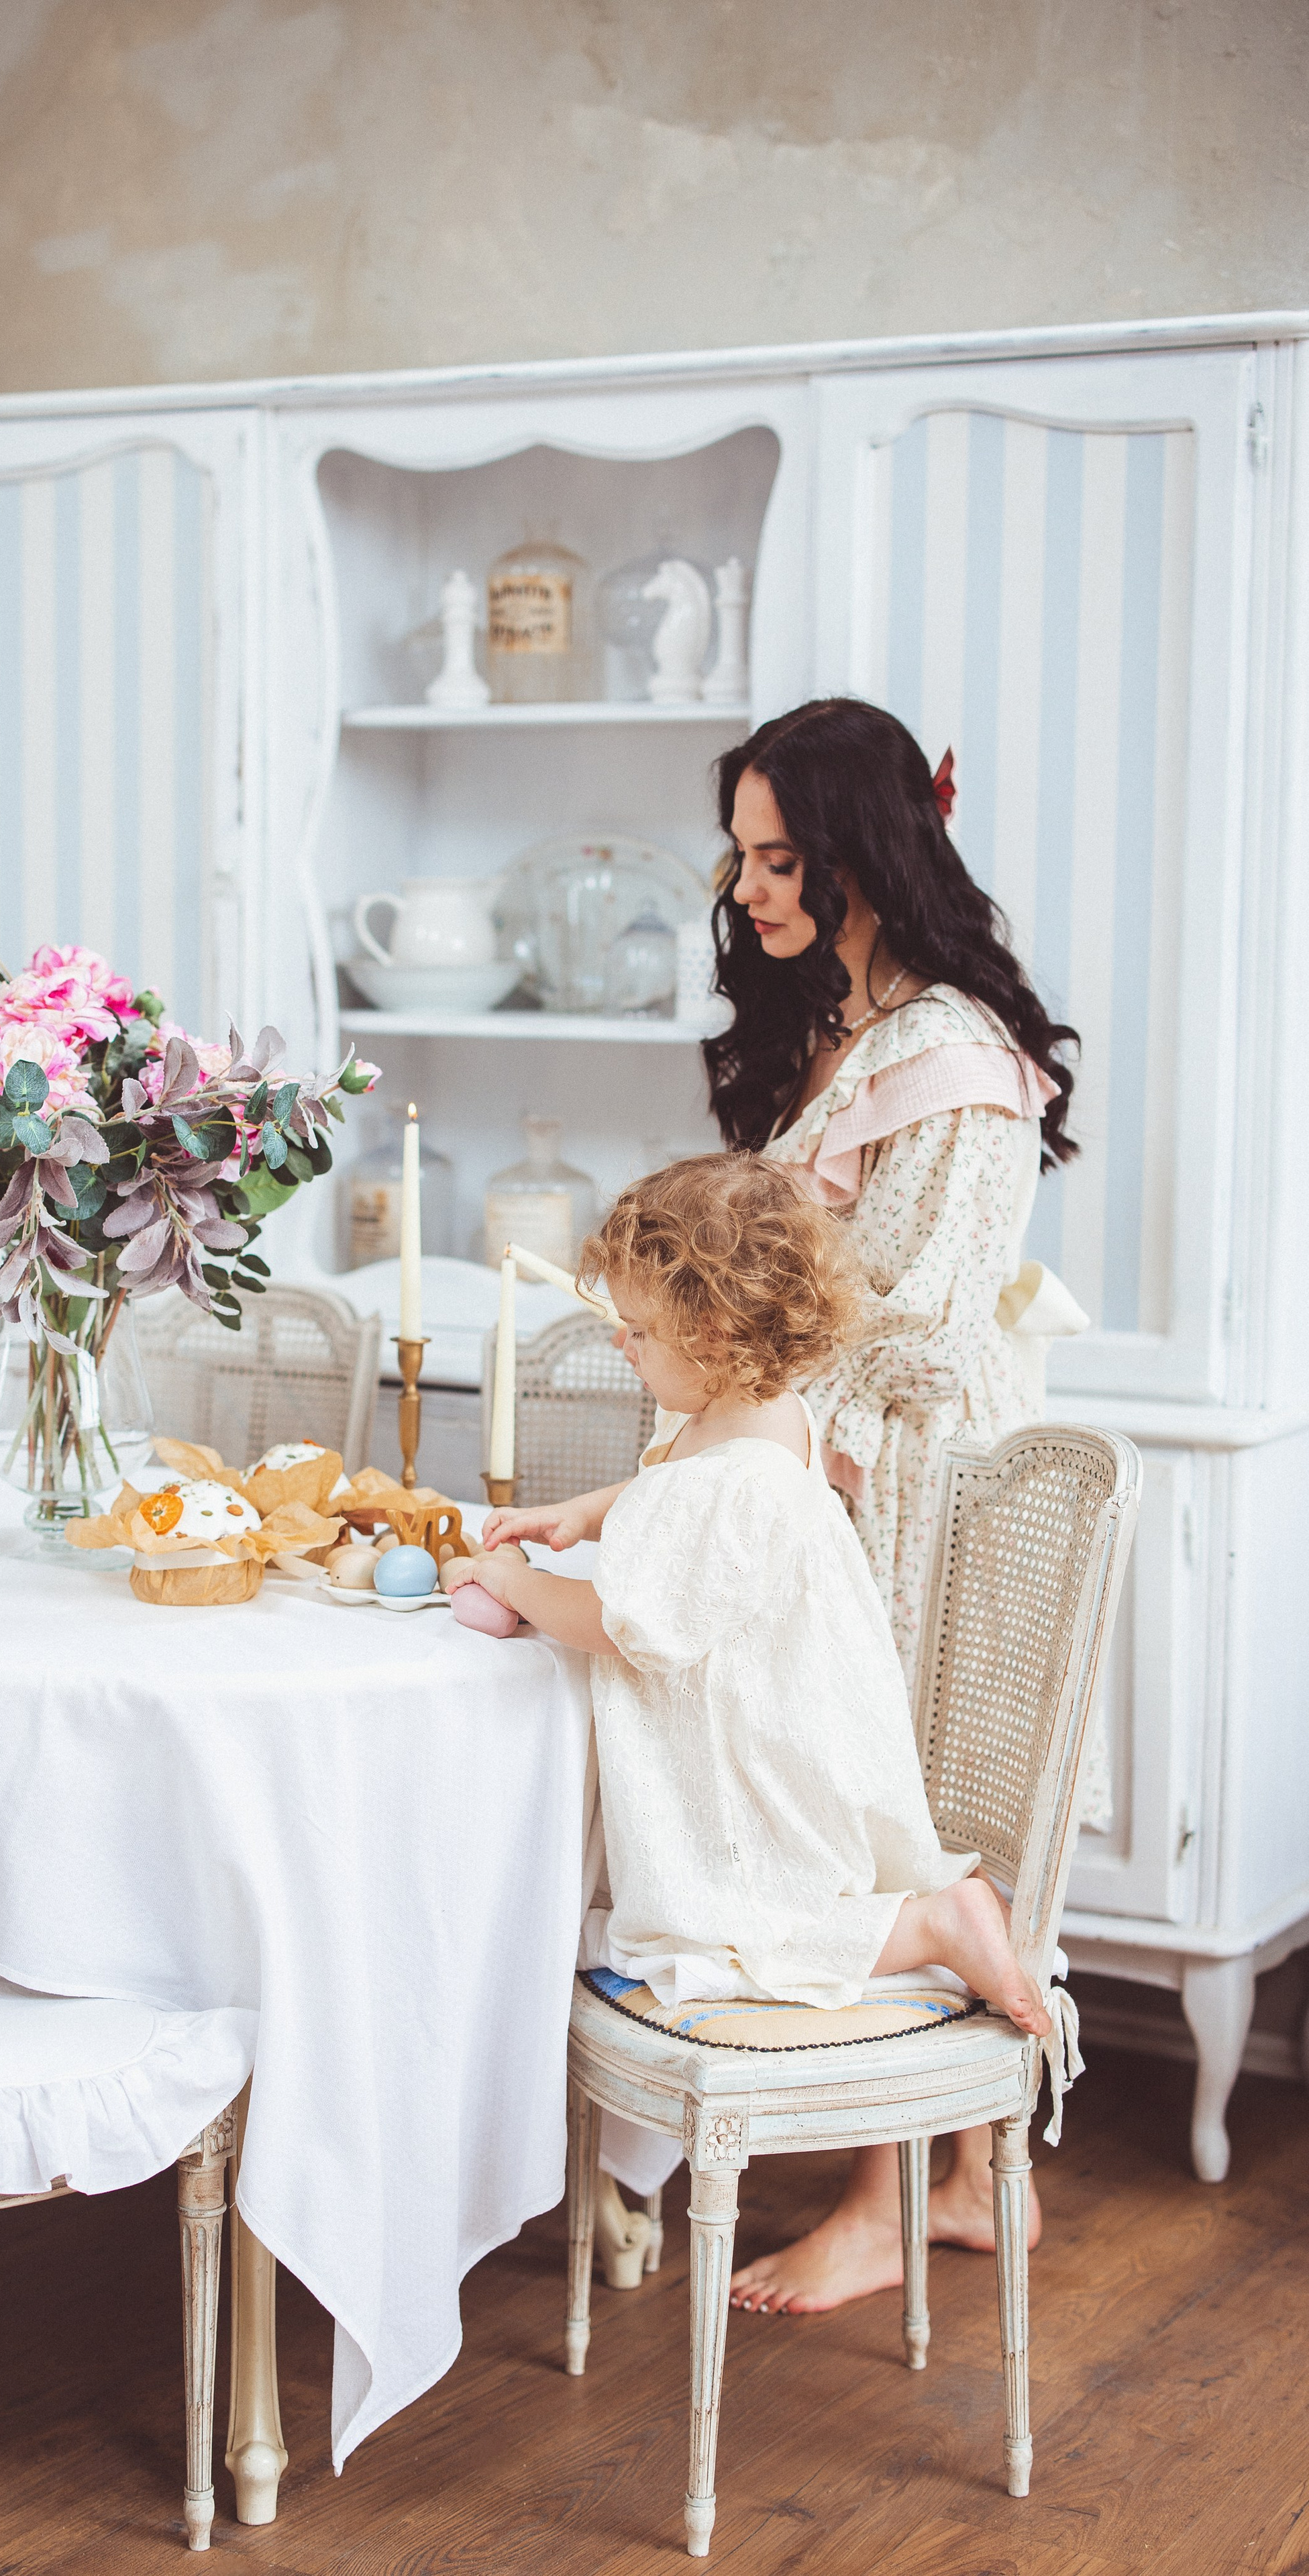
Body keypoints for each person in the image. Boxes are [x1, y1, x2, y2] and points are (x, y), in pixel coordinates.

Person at [699, 695, 1083, 2314]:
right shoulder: (842, 1038)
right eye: (738, 859)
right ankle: (963, 2178)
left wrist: (776, 1454)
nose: (751, 893)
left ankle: (898, 2191)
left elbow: (916, 1313)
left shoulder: (955, 1056)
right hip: (832, 1454)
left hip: (909, 1474)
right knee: (870, 1810)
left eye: (781, 858)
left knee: (897, 1812)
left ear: (864, 851)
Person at [447, 1155, 1053, 2054]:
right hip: (798, 1722)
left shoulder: (728, 1468)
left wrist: (517, 1583)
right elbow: (686, 1490)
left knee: (735, 1925)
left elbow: (624, 1624)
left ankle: (935, 1925)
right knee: (771, 1900)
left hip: (752, 1761)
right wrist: (586, 1511)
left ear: (716, 1333)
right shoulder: (771, 1412)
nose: (625, 1345)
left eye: (641, 1331)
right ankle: (929, 1916)